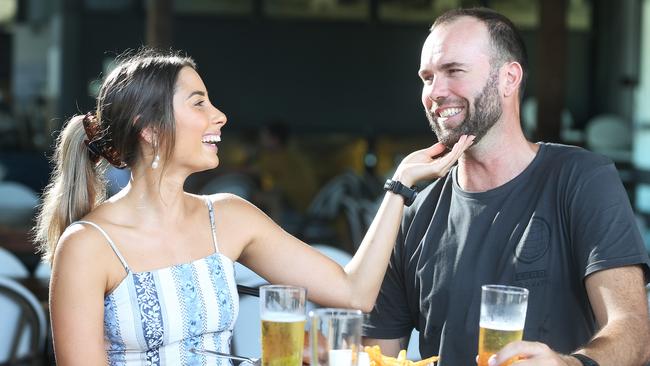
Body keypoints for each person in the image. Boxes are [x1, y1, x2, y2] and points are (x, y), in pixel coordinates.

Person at [32, 48, 474, 365]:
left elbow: (354, 293)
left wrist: (399, 186)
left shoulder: (228, 216)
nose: (220, 116)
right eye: (199, 102)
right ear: (148, 128)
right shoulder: (88, 246)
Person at [362, 7, 650, 366]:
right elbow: (377, 356)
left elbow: (634, 333)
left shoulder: (582, 179)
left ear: (509, 78)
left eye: (454, 71)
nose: (435, 92)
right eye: (427, 77)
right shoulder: (412, 214)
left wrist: (568, 364)